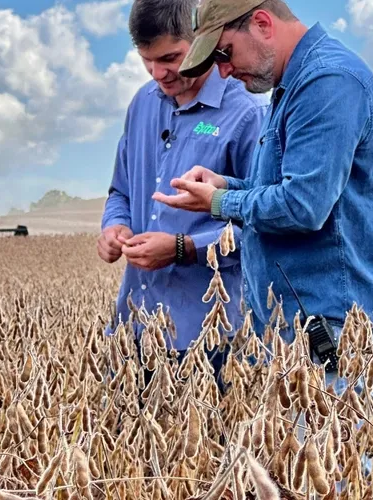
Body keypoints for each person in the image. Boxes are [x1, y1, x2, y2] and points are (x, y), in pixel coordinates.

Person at [152, 0, 373, 395]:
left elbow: (302, 206)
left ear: (263, 23)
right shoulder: (294, 84)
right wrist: (226, 188)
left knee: (335, 456)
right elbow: (285, 191)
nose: (224, 71)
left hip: (334, 335)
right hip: (300, 331)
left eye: (224, 53)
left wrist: (218, 204)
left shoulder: (328, 82)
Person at [99, 0, 268, 394]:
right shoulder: (142, 104)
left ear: (203, 40)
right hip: (135, 328)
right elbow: (120, 190)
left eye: (171, 58)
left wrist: (182, 248)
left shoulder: (246, 113)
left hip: (212, 333)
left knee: (207, 450)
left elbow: (264, 225)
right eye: (147, 61)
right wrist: (114, 225)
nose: (159, 74)